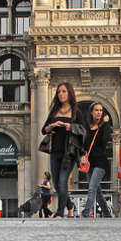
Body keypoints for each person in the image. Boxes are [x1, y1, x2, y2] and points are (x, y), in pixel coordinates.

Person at [42, 82, 86, 218]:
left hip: (70, 152)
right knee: (56, 184)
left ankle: (60, 212)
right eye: (58, 91)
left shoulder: (76, 112)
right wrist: (52, 125)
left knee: (62, 182)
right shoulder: (54, 111)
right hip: (55, 150)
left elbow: (83, 132)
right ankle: (70, 205)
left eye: (64, 91)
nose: (60, 94)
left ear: (69, 93)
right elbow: (44, 129)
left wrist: (70, 127)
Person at [80, 102, 112, 218]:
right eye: (96, 110)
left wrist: (106, 123)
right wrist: (82, 155)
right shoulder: (85, 126)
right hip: (89, 163)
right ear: (91, 112)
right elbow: (82, 144)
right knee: (98, 192)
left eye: (101, 110)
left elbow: (106, 139)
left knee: (92, 188)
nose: (99, 112)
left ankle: (85, 213)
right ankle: (107, 213)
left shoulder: (104, 126)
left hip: (101, 162)